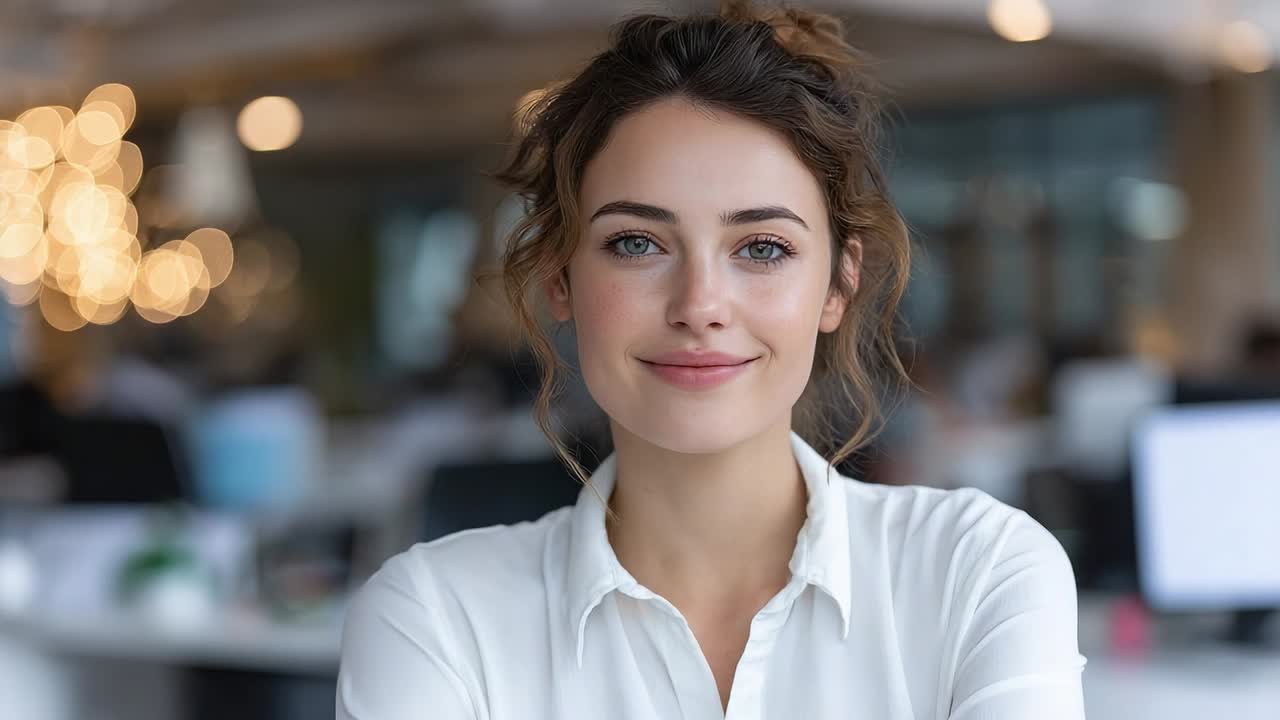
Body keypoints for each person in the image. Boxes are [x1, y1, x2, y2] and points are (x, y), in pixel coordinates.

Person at [337, 3, 1087, 718]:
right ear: (560, 279)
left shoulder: (977, 572)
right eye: (637, 243)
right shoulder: (436, 618)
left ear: (838, 285)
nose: (700, 304)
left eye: (762, 247)